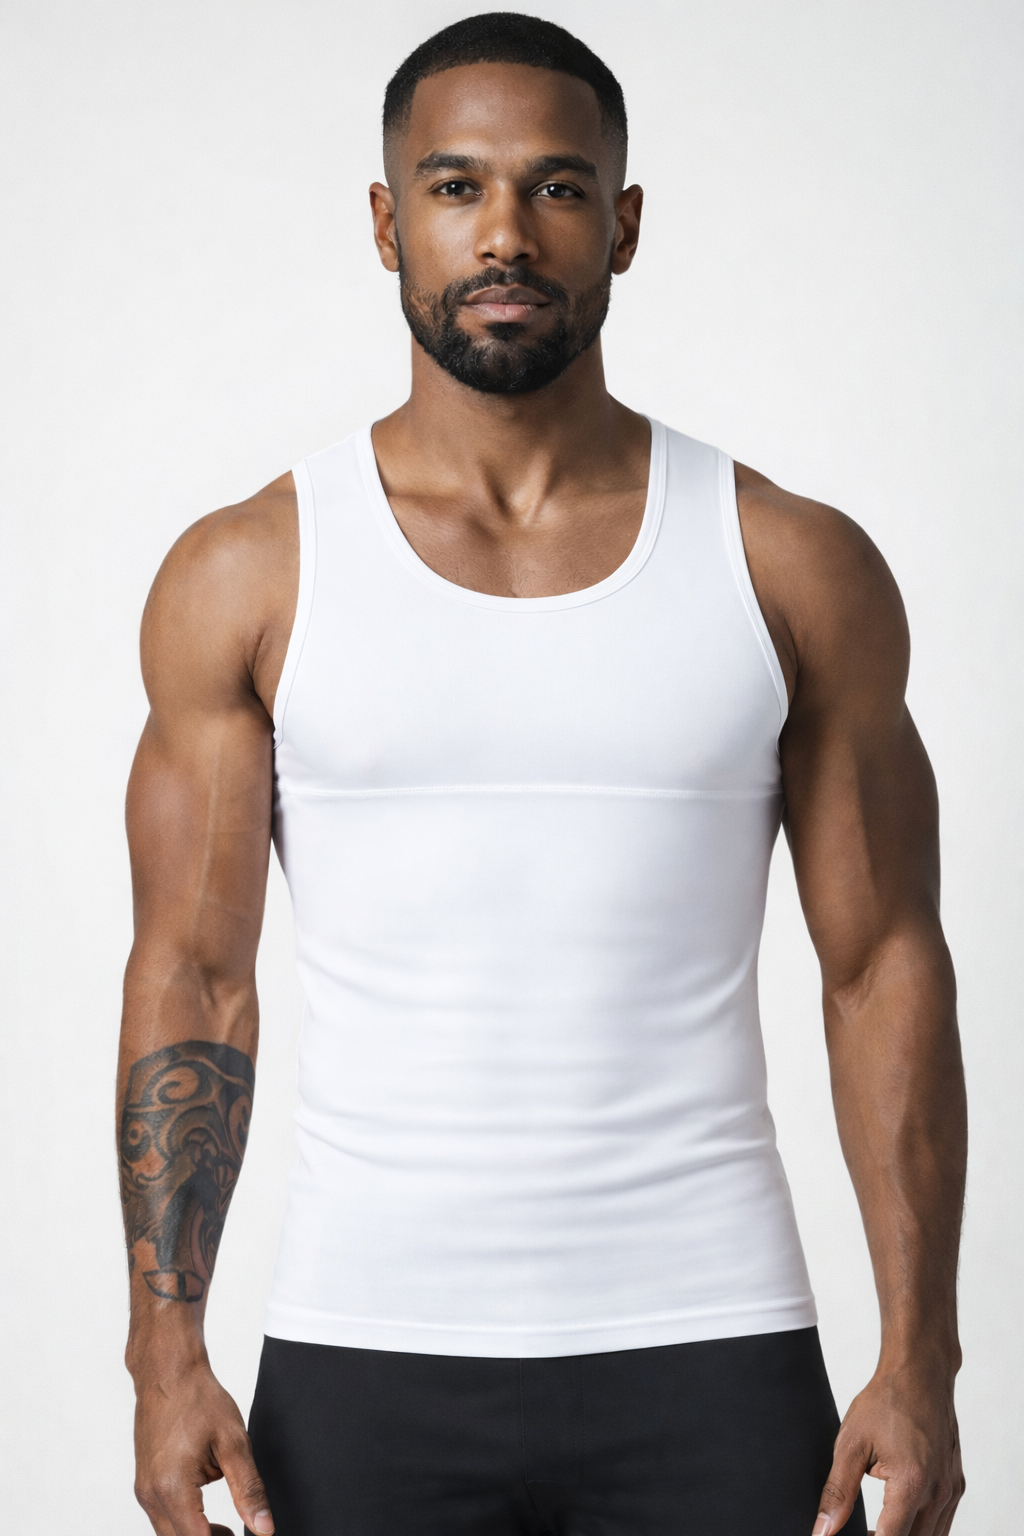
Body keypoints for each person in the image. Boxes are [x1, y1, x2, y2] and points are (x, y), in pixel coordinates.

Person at [117, 13, 966, 1536]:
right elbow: (193, 974)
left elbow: (882, 965)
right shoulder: (251, 573)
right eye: (454, 187)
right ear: (388, 223)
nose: (504, 233)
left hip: (713, 1342)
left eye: (556, 188)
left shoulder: (788, 563)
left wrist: (922, 1357)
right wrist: (161, 1355)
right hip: (365, 1351)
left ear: (623, 226)